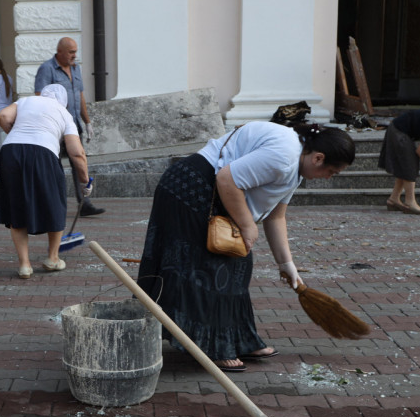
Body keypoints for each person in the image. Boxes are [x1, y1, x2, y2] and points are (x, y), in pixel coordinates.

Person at [138, 121, 356, 372]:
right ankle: (213, 347)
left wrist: (286, 264)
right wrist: (247, 225)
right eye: (332, 172)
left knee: (238, 266)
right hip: (190, 187)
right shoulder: (285, 157)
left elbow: (276, 216)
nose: (328, 178)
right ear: (318, 158)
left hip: (211, 189)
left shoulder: (295, 167)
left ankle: (240, 340)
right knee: (214, 269)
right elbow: (227, 179)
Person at [0, 84, 91, 279]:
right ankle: (53, 258)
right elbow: (77, 154)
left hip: (10, 151)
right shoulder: (64, 114)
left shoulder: (25, 101)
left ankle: (24, 265)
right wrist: (85, 182)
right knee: (54, 202)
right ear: (63, 101)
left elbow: (3, 116)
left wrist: (16, 133)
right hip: (43, 153)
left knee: (17, 206)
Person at [34, 36, 103, 216]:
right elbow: (40, 96)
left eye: (75, 52)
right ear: (60, 52)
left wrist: (87, 122)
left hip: (73, 125)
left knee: (78, 163)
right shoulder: (47, 69)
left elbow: (79, 95)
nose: (74, 55)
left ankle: (84, 204)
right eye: (71, 52)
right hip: (56, 127)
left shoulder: (75, 68)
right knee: (53, 167)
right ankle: (51, 204)